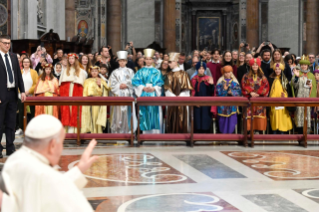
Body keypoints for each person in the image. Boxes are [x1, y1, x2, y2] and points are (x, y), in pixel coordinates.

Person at [1, 114, 97, 211]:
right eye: (62, 143)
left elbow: (52, 188)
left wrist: (79, 169)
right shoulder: (45, 176)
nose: (62, 148)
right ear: (52, 145)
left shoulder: (14, 160)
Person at [0, 35, 26, 157]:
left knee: (11, 123)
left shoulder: (14, 57)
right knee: (0, 124)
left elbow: (18, 76)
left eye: (9, 43)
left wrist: (22, 91)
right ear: (0, 43)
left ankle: (10, 147)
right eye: (5, 43)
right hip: (1, 95)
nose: (7, 45)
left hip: (12, 94)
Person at [132, 49, 164, 134]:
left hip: (154, 95)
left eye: (150, 59)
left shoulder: (157, 71)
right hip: (143, 95)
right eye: (147, 59)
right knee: (144, 115)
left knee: (154, 114)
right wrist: (142, 87)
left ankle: (155, 134)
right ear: (144, 60)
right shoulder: (140, 71)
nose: (149, 61)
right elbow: (135, 82)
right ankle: (145, 135)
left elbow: (160, 83)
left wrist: (154, 88)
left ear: (153, 60)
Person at [164, 52, 193, 133]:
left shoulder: (184, 74)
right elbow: (167, 90)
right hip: (171, 102)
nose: (168, 64)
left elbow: (187, 89)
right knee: (172, 119)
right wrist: (173, 97)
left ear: (175, 62)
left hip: (182, 101)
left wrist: (180, 97)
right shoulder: (168, 75)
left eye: (170, 62)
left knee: (182, 119)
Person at [109, 51, 137, 133]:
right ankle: (117, 132)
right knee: (118, 115)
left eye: (123, 61)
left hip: (127, 94)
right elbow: (111, 84)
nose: (122, 62)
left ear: (126, 61)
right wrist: (119, 86)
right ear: (118, 62)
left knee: (127, 113)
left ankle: (128, 132)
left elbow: (134, 82)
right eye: (120, 61)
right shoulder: (114, 72)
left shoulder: (130, 71)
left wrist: (127, 85)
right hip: (118, 96)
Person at [59, 53, 87, 133]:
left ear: (76, 60)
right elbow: (61, 84)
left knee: (75, 110)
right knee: (66, 110)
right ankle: (66, 131)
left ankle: (75, 131)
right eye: (70, 59)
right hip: (66, 93)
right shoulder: (64, 71)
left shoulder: (81, 71)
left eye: (73, 59)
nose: (71, 60)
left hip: (76, 92)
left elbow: (83, 85)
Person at [241, 58, 270, 132]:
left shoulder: (263, 76)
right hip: (249, 100)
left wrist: (258, 93)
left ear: (259, 66)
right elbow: (243, 85)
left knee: (259, 118)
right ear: (250, 66)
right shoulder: (245, 76)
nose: (254, 66)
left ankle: (259, 135)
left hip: (259, 100)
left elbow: (266, 86)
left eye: (256, 65)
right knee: (248, 118)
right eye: (253, 65)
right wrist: (250, 92)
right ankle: (248, 134)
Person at [291, 55, 316, 134]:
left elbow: (314, 88)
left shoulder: (311, 75)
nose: (303, 66)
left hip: (307, 98)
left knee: (307, 115)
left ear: (308, 66)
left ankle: (307, 132)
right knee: (299, 114)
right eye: (302, 65)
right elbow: (293, 85)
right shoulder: (297, 73)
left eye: (305, 65)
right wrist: (297, 77)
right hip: (299, 97)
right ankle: (300, 131)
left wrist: (311, 86)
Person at [81, 66, 110, 134]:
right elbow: (84, 91)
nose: (94, 73)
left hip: (97, 100)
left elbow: (107, 88)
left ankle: (97, 132)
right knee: (89, 116)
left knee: (96, 116)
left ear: (98, 72)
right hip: (88, 100)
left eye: (96, 71)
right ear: (90, 72)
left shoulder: (101, 80)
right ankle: (90, 132)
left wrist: (100, 85)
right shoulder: (87, 81)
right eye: (92, 71)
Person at [216, 65, 242, 134]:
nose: (227, 74)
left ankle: (231, 137)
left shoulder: (235, 83)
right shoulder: (220, 83)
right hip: (222, 107)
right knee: (222, 122)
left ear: (231, 73)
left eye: (229, 72)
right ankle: (223, 137)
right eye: (226, 72)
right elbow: (218, 93)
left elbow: (239, 92)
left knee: (231, 122)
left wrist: (232, 92)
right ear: (223, 73)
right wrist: (224, 90)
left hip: (232, 106)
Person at [16, 57, 38, 136]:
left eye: (27, 62)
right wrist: (22, 92)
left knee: (32, 112)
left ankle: (32, 129)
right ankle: (21, 128)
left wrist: (28, 91)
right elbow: (17, 83)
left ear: (30, 63)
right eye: (24, 62)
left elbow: (36, 84)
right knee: (21, 112)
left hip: (31, 95)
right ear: (22, 63)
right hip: (20, 96)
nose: (26, 63)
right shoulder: (19, 72)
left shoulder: (34, 72)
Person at [268, 63, 293, 134]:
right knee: (274, 117)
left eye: (279, 69)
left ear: (281, 70)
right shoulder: (270, 79)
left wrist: (284, 95)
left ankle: (282, 134)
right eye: (276, 69)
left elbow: (288, 91)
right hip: (273, 103)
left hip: (283, 103)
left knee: (282, 118)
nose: (277, 70)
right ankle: (274, 133)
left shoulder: (285, 80)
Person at [191, 61, 214, 133]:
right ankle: (197, 134)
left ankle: (206, 134)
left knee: (205, 118)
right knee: (197, 119)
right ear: (197, 69)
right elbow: (192, 91)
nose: (201, 70)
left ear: (205, 69)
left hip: (206, 103)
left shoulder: (208, 78)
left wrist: (211, 85)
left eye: (202, 68)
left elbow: (212, 91)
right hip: (197, 102)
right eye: (199, 68)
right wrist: (194, 102)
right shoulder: (194, 79)